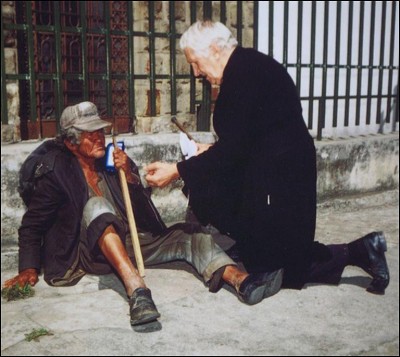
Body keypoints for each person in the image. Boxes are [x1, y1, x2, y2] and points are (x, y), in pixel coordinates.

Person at [144, 21, 390, 294]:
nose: (196, 72)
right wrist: (208, 151)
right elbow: (245, 138)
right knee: (277, 257)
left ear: (214, 49)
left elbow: (234, 150)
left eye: (195, 62)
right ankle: (363, 250)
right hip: (276, 173)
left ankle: (362, 251)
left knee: (278, 268)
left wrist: (176, 170)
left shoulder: (244, 75)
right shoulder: (246, 67)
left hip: (281, 178)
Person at [3, 101, 285, 331]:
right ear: (71, 142)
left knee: (191, 234)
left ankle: (241, 281)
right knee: (97, 207)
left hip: (128, 241)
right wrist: (28, 268)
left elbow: (141, 208)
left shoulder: (111, 160)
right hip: (86, 251)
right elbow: (31, 226)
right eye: (91, 134)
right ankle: (137, 292)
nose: (100, 137)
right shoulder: (55, 172)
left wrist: (130, 175)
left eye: (100, 131)